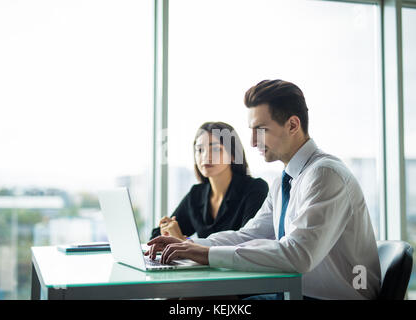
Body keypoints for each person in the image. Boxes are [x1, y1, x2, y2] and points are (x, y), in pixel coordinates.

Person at [146, 80, 382, 300]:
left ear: (292, 125)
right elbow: (248, 236)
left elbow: (297, 256)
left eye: (260, 129)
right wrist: (192, 246)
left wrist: (203, 254)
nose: (251, 142)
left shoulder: (325, 175)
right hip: (294, 293)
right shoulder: (284, 181)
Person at [150, 121, 268, 242]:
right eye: (200, 150)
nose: (206, 156)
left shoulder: (255, 188)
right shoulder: (196, 194)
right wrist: (168, 229)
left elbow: (248, 243)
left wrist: (182, 241)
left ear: (233, 154)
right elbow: (156, 237)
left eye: (216, 149)